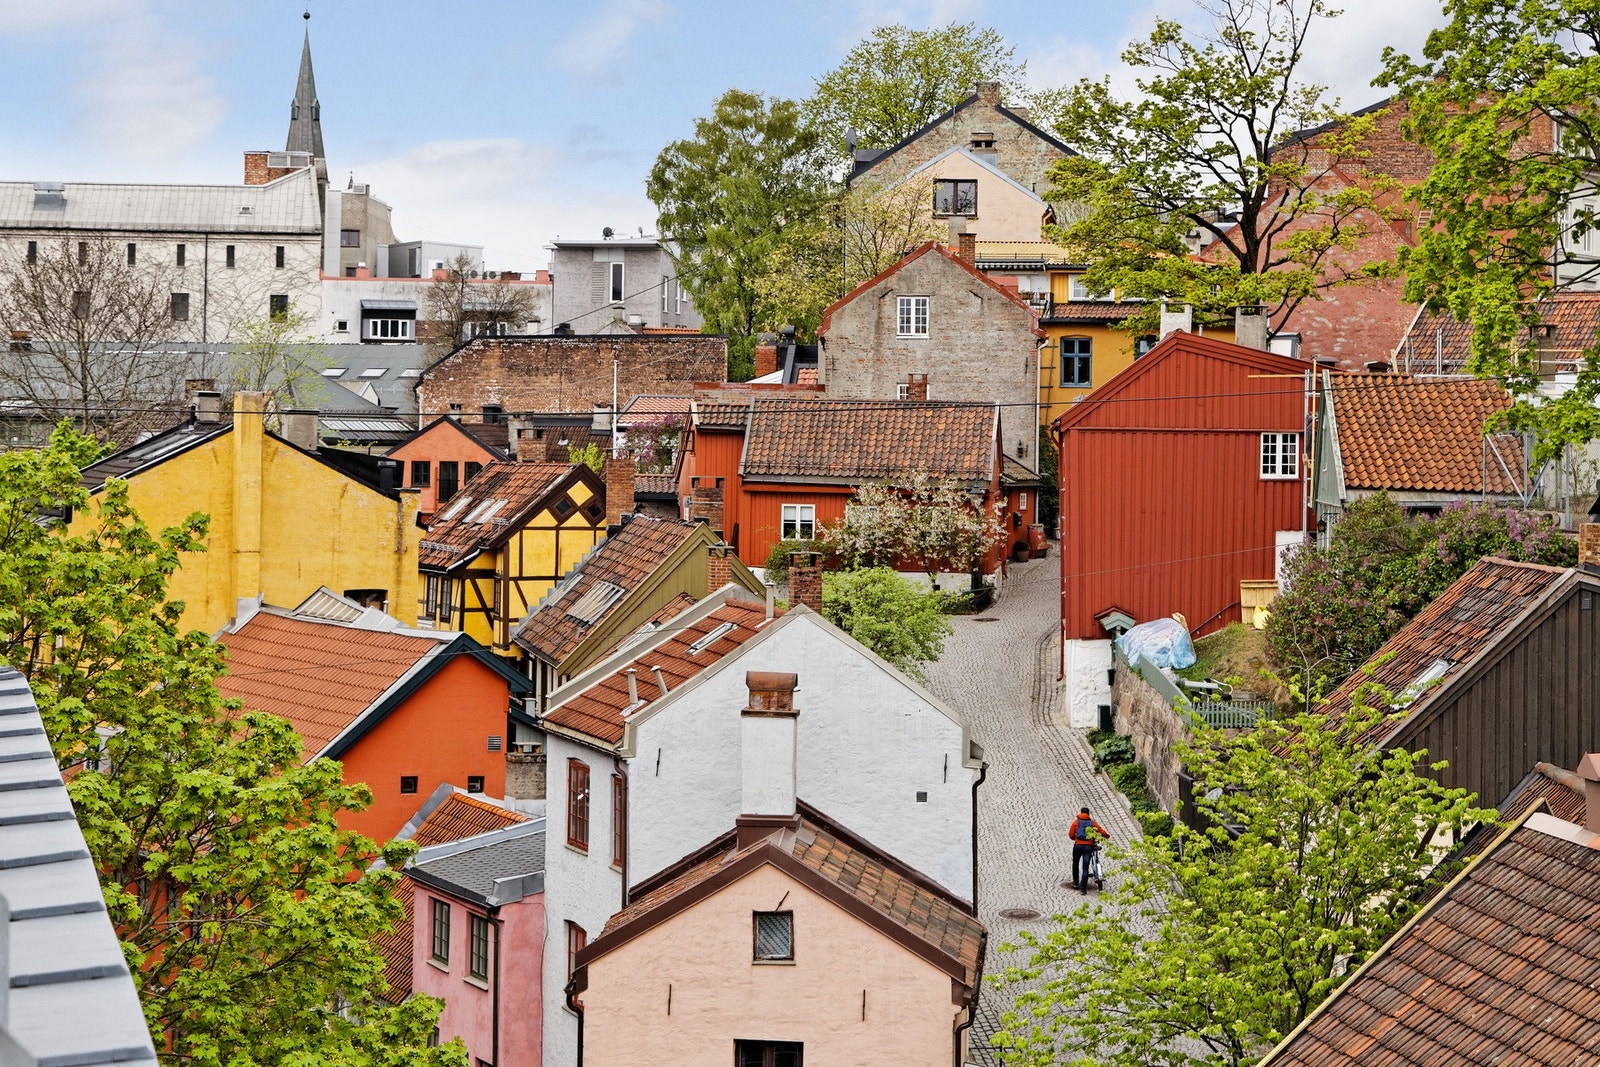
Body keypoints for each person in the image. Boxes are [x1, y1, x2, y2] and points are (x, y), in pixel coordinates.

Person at [1069, 807, 1108, 893]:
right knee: (1085, 867)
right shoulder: (1092, 823)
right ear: (1088, 814)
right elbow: (1101, 831)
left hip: (1077, 846)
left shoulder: (1076, 822)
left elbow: (1071, 835)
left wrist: (1076, 839)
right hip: (1088, 847)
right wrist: (1107, 836)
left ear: (1081, 813)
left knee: (1075, 863)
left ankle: (1076, 883)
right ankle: (1083, 889)